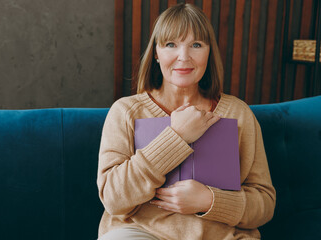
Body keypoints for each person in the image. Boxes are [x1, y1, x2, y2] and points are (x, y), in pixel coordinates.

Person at [97, 3, 276, 240]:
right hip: (141, 232)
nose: (184, 56)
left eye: (196, 45)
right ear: (156, 54)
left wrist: (209, 200)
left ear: (209, 53)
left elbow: (264, 204)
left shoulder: (238, 113)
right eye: (171, 44)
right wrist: (176, 137)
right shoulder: (125, 111)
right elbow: (113, 198)